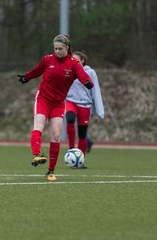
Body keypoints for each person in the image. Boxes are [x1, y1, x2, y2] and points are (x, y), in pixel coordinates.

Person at [17, 35, 94, 181]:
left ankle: (50, 171)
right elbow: (36, 71)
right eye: (55, 48)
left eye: (60, 49)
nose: (57, 51)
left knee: (56, 135)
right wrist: (26, 77)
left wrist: (88, 83)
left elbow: (83, 76)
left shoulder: (73, 63)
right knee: (38, 125)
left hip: (58, 103)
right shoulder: (48, 59)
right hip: (43, 99)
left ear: (67, 48)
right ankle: (36, 155)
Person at [65, 51, 104, 167]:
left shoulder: (90, 73)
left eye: (76, 60)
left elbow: (95, 90)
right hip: (70, 101)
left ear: (82, 61)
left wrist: (99, 111)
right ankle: (71, 149)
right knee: (70, 119)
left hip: (85, 105)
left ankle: (80, 160)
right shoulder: (68, 71)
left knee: (82, 134)